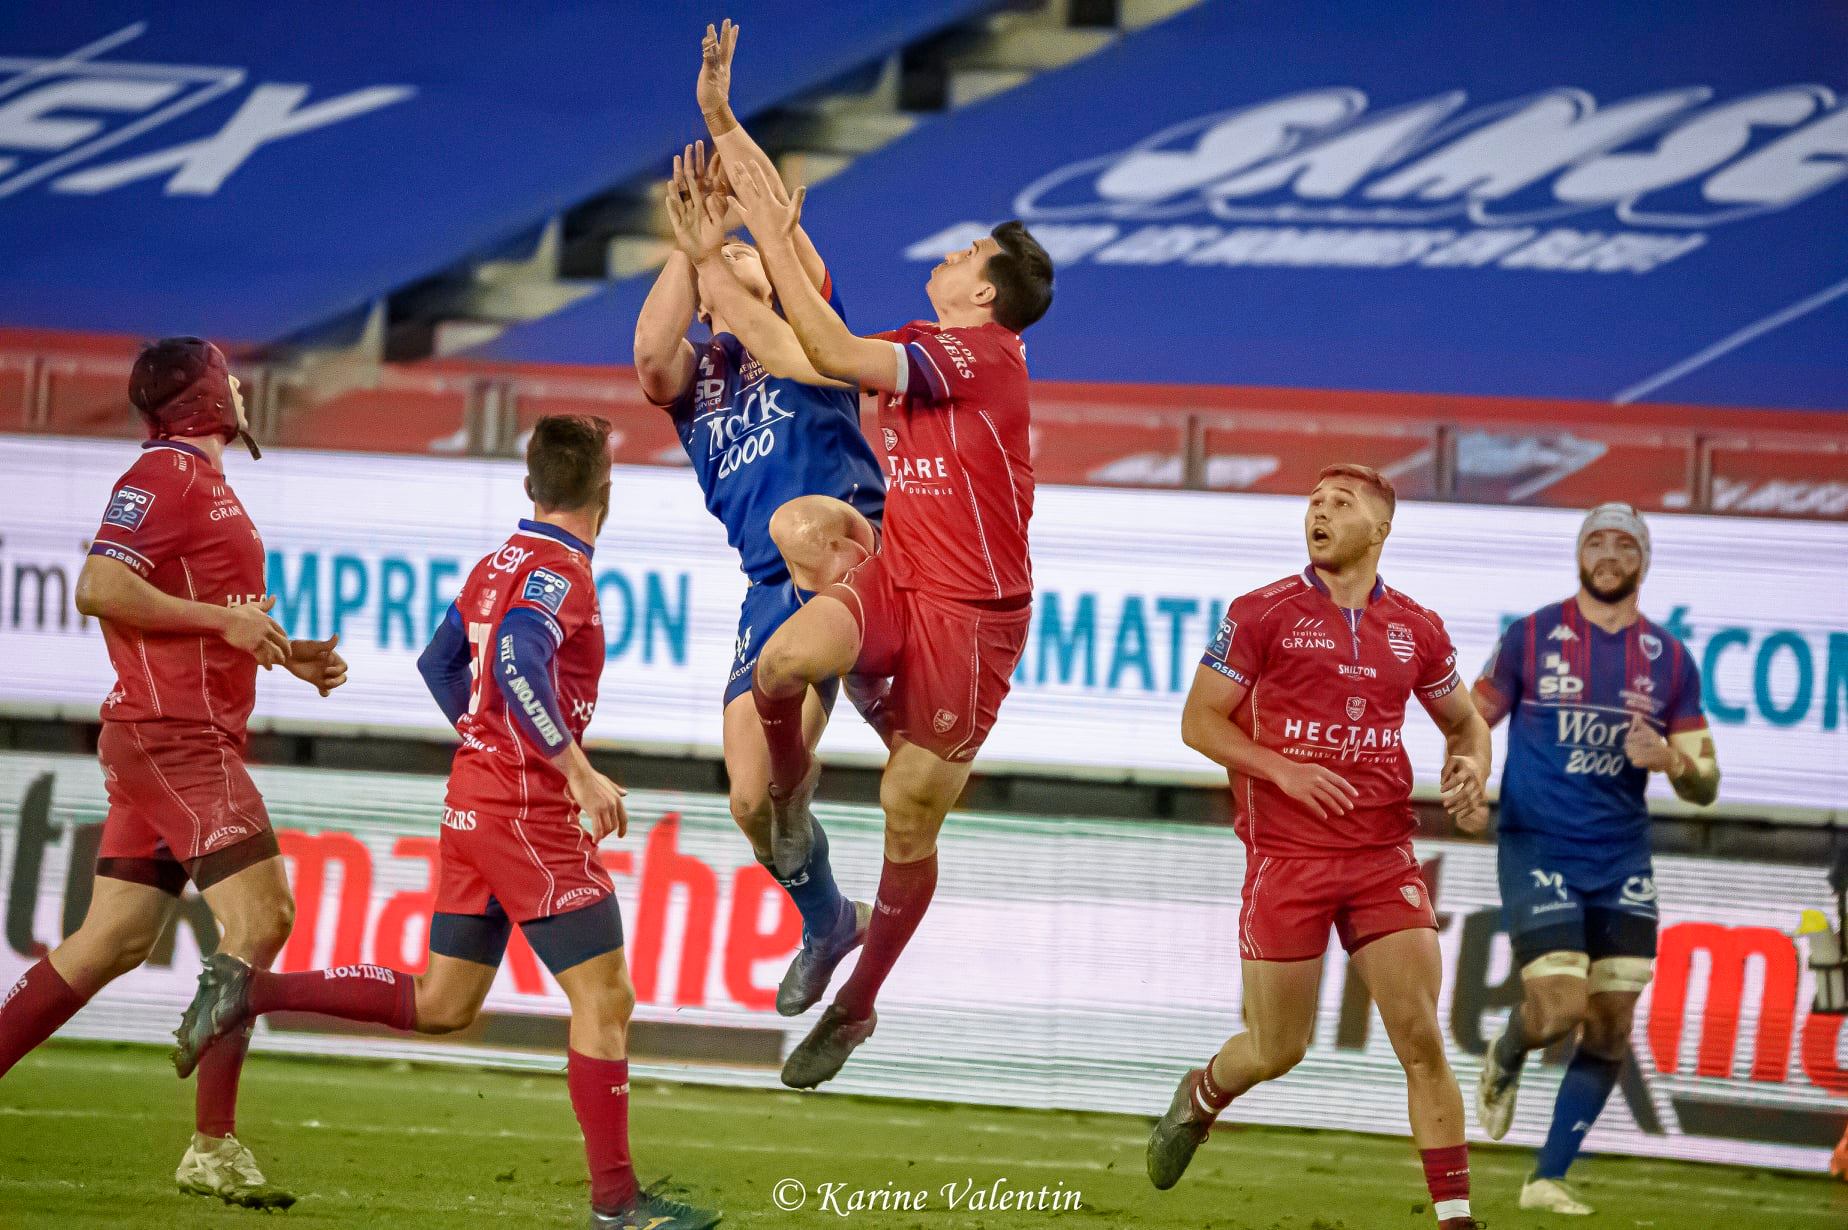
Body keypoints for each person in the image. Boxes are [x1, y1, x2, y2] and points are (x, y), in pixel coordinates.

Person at [169, 416, 719, 1230]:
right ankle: (617, 1204)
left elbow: (443, 663)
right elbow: (513, 659)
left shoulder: (497, 564)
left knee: (444, 1001)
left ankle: (251, 990)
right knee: (605, 997)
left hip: (474, 800)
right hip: (528, 810)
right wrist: (574, 768)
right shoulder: (561, 571)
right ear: (607, 491)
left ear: (531, 487)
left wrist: (484, 738)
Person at [722, 50, 1055, 1089]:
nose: (950, 256)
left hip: (976, 620)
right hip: (902, 571)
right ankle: (787, 800)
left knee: (909, 810)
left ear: (986, 289)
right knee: (780, 662)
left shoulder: (982, 355)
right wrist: (726, 138)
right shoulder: (929, 345)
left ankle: (859, 1007)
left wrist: (773, 234)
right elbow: (791, 349)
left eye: (966, 252)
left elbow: (817, 333)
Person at [0, 337, 344, 1209]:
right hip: (174, 737)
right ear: (201, 397)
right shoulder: (162, 476)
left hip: (176, 733)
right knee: (264, 916)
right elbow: (97, 586)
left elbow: (202, 619)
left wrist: (277, 651)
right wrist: (222, 627)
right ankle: (214, 1145)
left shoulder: (204, 482)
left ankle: (212, 1142)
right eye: (225, 372)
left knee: (111, 940)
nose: (237, 382)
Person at [1147, 464, 1491, 1230]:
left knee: (1422, 1040)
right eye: (1314, 501)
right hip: (1287, 861)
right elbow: (1199, 722)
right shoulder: (1262, 612)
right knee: (1278, 1049)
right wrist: (1283, 770)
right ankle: (1203, 1092)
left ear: (1382, 527)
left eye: (1342, 503)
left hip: (1381, 859)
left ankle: (1457, 1217)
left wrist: (1470, 769)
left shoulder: (1418, 627)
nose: (1321, 512)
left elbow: (1466, 725)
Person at [639, 112, 883, 1014]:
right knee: (752, 802)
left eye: (750, 257)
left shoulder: (807, 331)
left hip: (850, 549)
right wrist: (690, 250)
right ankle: (826, 917)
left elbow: (788, 251)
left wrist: (742, 223)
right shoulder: (699, 382)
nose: (743, 259)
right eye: (728, 265)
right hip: (767, 587)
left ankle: (816, 801)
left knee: (796, 530)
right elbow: (647, 359)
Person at [1472, 502, 1718, 1216]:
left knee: (1610, 1025)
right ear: (1580, 554)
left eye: (1624, 545)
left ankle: (1545, 1176)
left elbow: (1705, 782)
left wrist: (1670, 757)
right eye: (1596, 542)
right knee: (1557, 1008)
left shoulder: (1670, 660)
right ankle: (1508, 1054)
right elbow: (1470, 719)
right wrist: (1466, 771)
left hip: (1621, 855)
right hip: (1538, 842)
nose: (1609, 554)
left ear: (1644, 560)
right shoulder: (1531, 636)